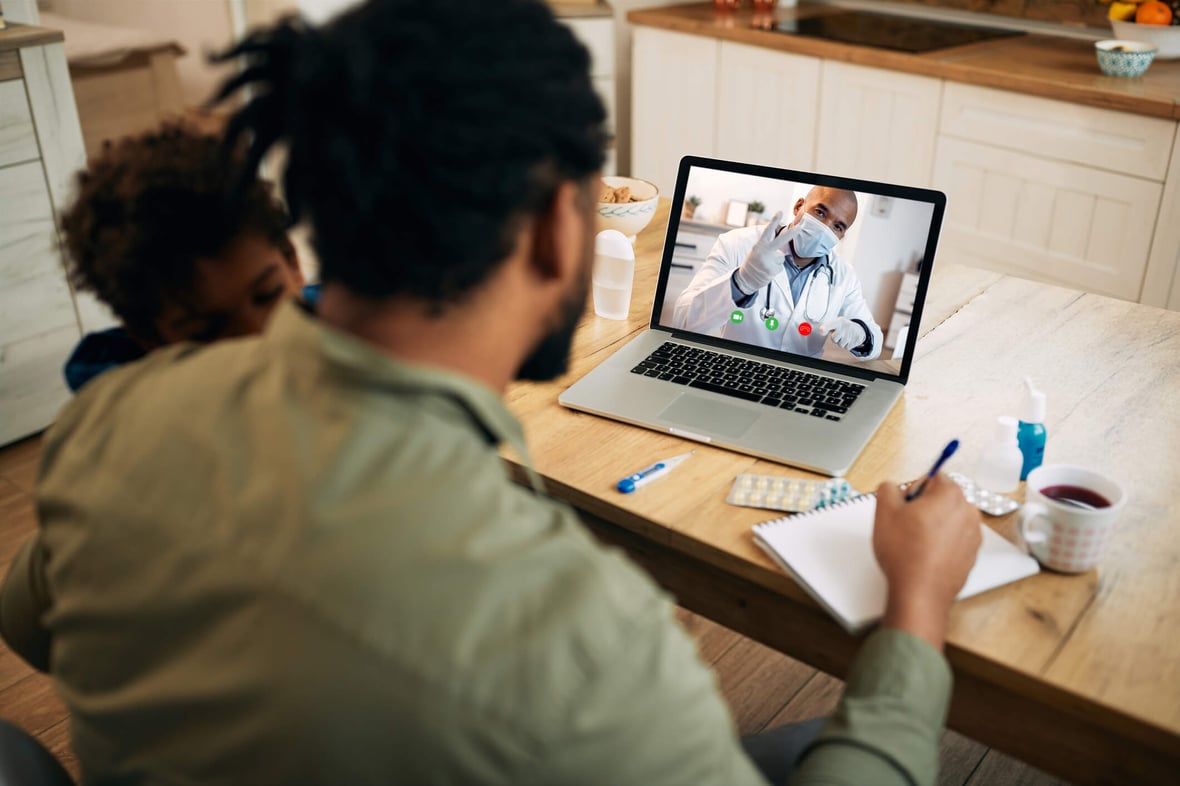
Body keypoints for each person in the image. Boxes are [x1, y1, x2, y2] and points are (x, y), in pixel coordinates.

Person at [0, 1, 981, 783]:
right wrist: (916, 607)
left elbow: (32, 618)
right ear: (564, 224)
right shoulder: (578, 642)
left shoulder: (109, 420)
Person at [57, 120, 312, 392]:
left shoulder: (346, 321)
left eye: (268, 295)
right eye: (208, 330)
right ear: (150, 338)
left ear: (293, 263)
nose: (259, 340)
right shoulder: (136, 423)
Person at [673, 186, 883, 360]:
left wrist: (861, 334)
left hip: (802, 381)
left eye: (837, 226)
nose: (825, 228)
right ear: (799, 206)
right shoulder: (736, 244)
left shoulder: (844, 275)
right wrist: (742, 282)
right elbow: (683, 320)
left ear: (842, 235)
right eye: (820, 212)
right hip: (735, 364)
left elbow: (875, 340)